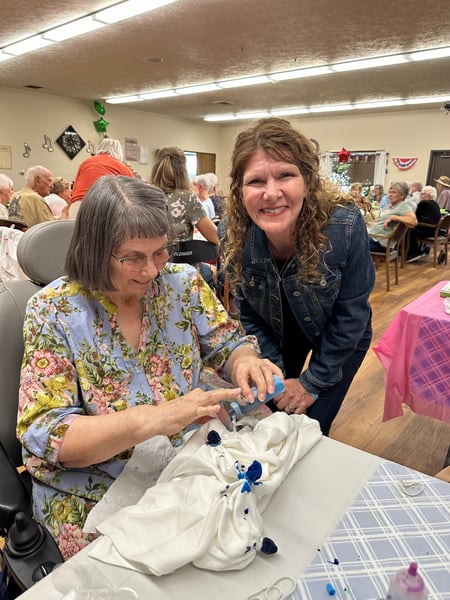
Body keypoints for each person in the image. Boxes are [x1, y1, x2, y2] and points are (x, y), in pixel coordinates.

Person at [17, 175, 281, 560]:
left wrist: (245, 362)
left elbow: (228, 343)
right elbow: (50, 436)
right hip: (94, 489)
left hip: (183, 463)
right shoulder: (53, 312)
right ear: (94, 251)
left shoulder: (183, 284)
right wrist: (157, 419)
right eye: (132, 258)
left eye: (160, 252)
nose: (153, 270)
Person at [221, 117, 375, 436]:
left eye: (285, 175)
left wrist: (311, 382)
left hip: (340, 335)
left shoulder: (344, 226)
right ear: (239, 189)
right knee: (275, 415)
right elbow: (248, 314)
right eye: (256, 181)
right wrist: (277, 379)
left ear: (307, 180)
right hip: (275, 333)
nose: (271, 193)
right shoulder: (232, 233)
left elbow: (352, 316)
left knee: (311, 427)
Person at [150, 147, 219, 245]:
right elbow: (215, 237)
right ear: (183, 171)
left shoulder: (147, 195)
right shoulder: (187, 198)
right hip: (181, 258)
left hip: (152, 257)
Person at [71, 137, 134, 203]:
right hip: (102, 205)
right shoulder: (124, 169)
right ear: (119, 152)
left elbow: (75, 189)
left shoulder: (85, 163)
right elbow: (132, 198)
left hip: (78, 204)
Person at [367, 181, 417, 252]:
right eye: (389, 192)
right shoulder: (391, 206)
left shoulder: (403, 206)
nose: (390, 195)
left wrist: (394, 217)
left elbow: (413, 221)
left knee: (350, 243)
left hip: (379, 243)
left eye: (393, 192)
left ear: (402, 195)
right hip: (372, 238)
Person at [406, 185, 441, 262]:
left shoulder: (424, 203)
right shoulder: (435, 204)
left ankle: (414, 252)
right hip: (434, 230)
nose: (420, 196)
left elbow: (416, 217)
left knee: (407, 230)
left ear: (427, 195)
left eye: (422, 194)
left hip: (427, 229)